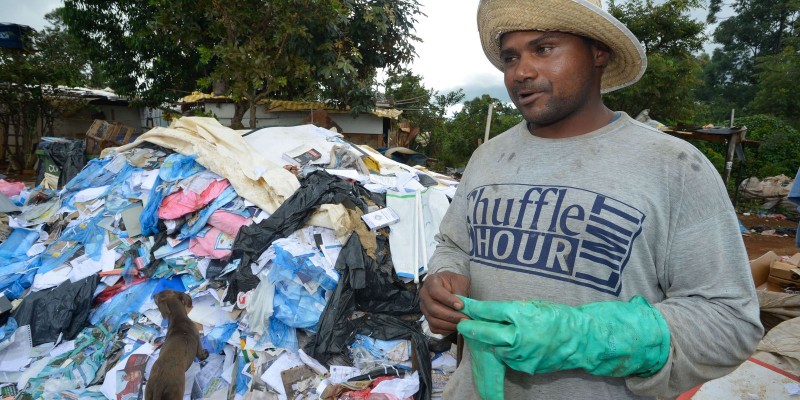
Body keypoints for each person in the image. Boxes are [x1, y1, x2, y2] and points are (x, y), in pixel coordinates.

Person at [419, 0, 764, 399]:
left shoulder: (674, 166)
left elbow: (729, 323)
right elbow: (454, 245)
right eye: (511, 57)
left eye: (543, 49)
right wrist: (444, 277)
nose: (521, 72)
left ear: (598, 52)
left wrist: (587, 337)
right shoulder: (487, 158)